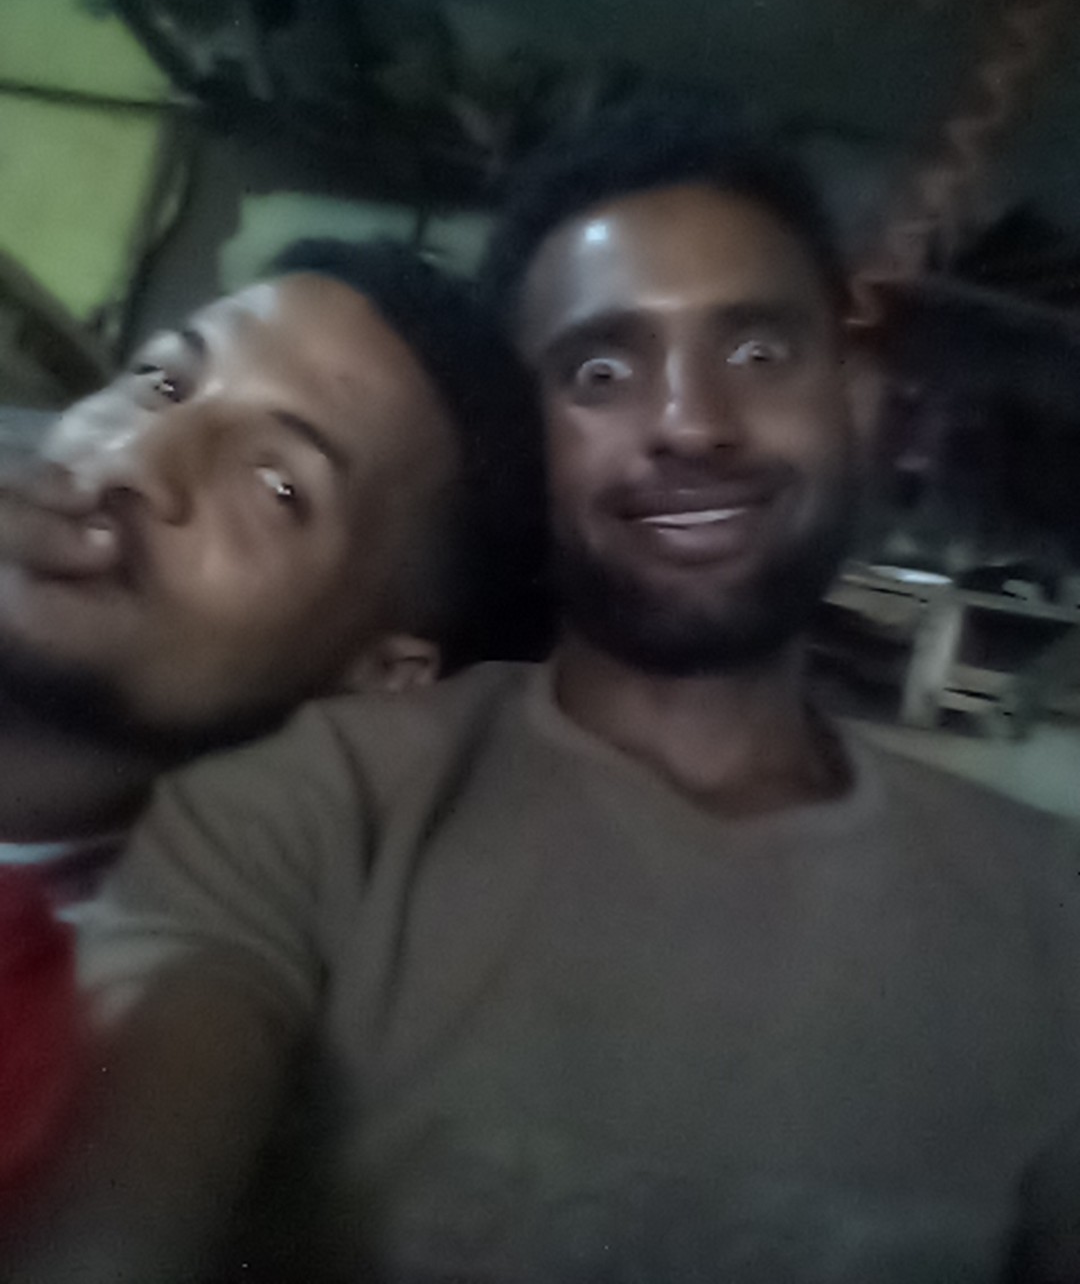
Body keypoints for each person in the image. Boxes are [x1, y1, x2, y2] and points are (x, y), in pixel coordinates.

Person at [13, 102, 1080, 1284]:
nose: (690, 422)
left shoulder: (1050, 907)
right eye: (601, 370)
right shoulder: (312, 806)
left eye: (759, 352)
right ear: (538, 457)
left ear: (856, 402)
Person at [0, 236, 541, 1223]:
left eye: (279, 486)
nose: (136, 459)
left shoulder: (147, 1035)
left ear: (382, 677)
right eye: (160, 382)